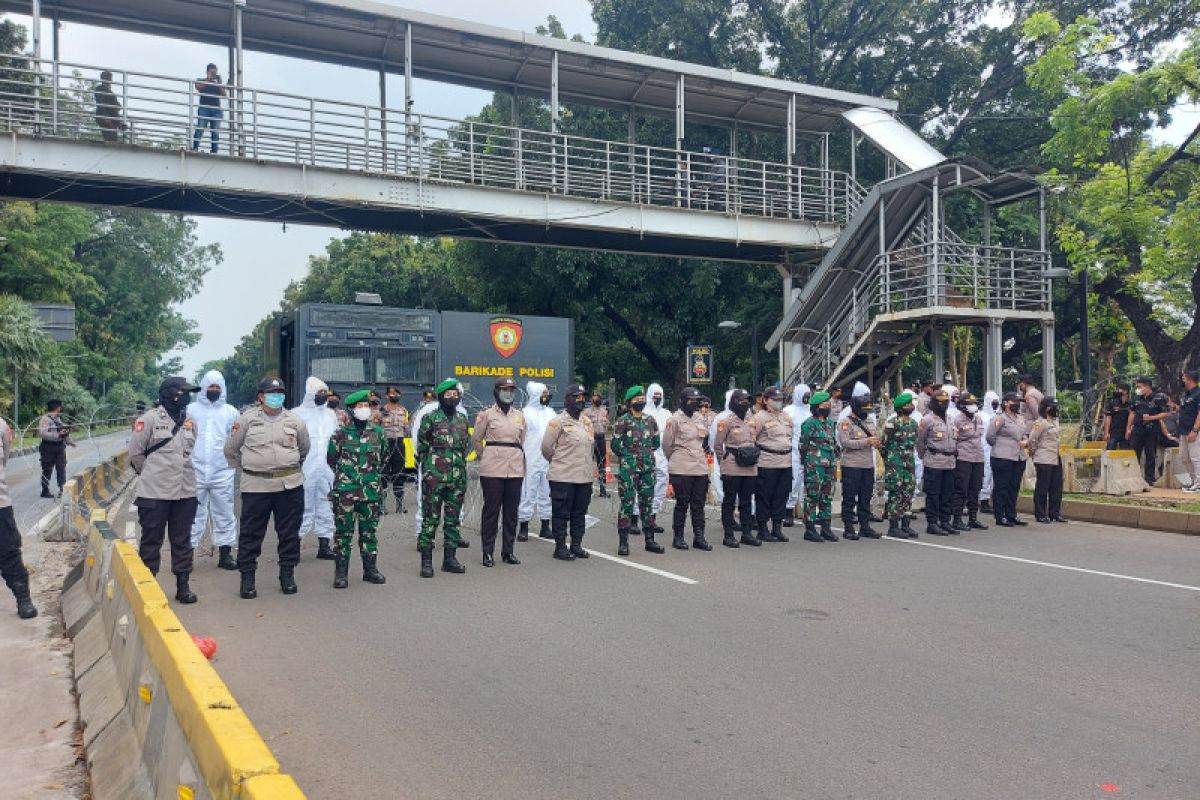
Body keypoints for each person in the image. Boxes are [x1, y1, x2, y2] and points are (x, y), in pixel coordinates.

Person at [224, 376, 310, 599]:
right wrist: (251, 468)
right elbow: (231, 450)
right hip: (256, 486)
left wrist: (286, 466)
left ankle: (287, 575)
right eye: (271, 393)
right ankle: (248, 579)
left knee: (289, 533)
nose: (277, 396)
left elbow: (303, 449)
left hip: (289, 485)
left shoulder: (295, 421)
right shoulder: (246, 420)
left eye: (280, 392)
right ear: (260, 397)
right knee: (251, 534)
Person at [130, 377, 200, 603]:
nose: (188, 396)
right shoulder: (148, 420)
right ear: (170, 393)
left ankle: (183, 586)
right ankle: (148, 588)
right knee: (151, 541)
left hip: (185, 491)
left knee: (182, 540)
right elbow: (136, 454)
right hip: (154, 493)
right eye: (184, 391)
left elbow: (187, 453)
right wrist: (153, 474)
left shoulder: (190, 421)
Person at [327, 390, 387, 589]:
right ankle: (341, 574)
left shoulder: (378, 433)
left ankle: (370, 570)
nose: (364, 409)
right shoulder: (340, 434)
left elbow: (383, 458)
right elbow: (331, 459)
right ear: (351, 410)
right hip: (346, 492)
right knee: (343, 533)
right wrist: (348, 478)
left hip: (370, 491)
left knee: (369, 532)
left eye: (366, 406)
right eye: (360, 406)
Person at [416, 379, 471, 578]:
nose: (452, 398)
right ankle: (427, 562)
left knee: (453, 520)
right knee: (430, 519)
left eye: (455, 395)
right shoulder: (430, 418)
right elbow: (421, 446)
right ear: (440, 397)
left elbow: (465, 446)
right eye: (448, 395)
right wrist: (429, 467)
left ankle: (450, 559)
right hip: (435, 477)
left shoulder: (463, 420)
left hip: (457, 478)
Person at [470, 377, 526, 567]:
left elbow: (521, 439)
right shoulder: (486, 415)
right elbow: (477, 439)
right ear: (496, 391)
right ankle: (487, 552)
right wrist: (486, 455)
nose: (508, 393)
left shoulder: (519, 416)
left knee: (511, 512)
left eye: (511, 390)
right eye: (504, 389)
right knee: (491, 511)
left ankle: (508, 551)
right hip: (492, 468)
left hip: (515, 468)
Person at [187, 369, 239, 570]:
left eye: (218, 387)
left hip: (222, 471)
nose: (214, 390)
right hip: (195, 470)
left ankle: (225, 554)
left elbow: (235, 441)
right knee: (192, 514)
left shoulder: (231, 412)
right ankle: (187, 554)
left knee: (225, 513)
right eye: (211, 387)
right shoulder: (191, 410)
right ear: (203, 387)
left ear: (223, 389)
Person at [540, 383, 596, 561]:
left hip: (584, 477)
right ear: (568, 400)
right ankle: (560, 547)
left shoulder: (587, 422)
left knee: (579, 513)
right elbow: (546, 448)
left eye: (583, 397)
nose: (581, 400)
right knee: (561, 513)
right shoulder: (557, 422)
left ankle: (576, 545)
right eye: (576, 397)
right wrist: (559, 462)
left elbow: (590, 446)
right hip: (563, 476)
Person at [611, 386, 665, 555]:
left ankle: (650, 540)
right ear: (630, 402)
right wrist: (629, 456)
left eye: (642, 398)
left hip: (648, 468)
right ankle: (623, 542)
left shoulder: (650, 420)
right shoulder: (623, 421)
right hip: (629, 469)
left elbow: (656, 443)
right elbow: (615, 446)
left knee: (647, 504)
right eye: (637, 399)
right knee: (627, 503)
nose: (640, 401)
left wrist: (644, 455)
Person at [662, 387, 712, 551]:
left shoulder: (699, 418)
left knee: (698, 504)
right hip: (681, 466)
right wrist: (676, 460)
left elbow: (702, 442)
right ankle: (678, 537)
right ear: (682, 401)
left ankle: (699, 537)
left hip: (700, 466)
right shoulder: (674, 419)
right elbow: (667, 445)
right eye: (691, 401)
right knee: (682, 503)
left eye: (697, 401)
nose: (695, 404)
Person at [294, 377, 338, 561]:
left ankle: (324, 544)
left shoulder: (330, 415)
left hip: (326, 468)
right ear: (310, 393)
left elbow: (335, 440)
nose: (323, 396)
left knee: (325, 505)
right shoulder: (296, 414)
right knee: (300, 507)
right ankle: (294, 545)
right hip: (304, 468)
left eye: (324, 392)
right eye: (319, 392)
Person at [713, 388, 760, 548]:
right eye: (741, 401)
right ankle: (729, 535)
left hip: (750, 465)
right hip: (732, 464)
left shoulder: (752, 419)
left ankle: (747, 533)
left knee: (746, 501)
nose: (745, 404)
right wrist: (724, 462)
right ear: (734, 402)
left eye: (747, 400)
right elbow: (718, 445)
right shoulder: (726, 421)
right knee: (729, 501)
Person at [1, 416, 38, 619]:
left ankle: (23, 600)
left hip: (0, 505)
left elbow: (3, 460)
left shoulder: (1, 427)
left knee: (9, 553)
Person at [836, 393, 881, 540]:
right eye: (864, 408)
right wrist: (866, 441)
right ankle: (848, 527)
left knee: (865, 497)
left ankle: (865, 526)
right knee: (849, 497)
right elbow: (845, 443)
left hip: (868, 465)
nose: (866, 411)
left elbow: (875, 437)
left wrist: (876, 442)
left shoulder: (869, 422)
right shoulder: (845, 422)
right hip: (852, 465)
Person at [753, 386, 794, 543]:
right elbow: (752, 439)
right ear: (765, 400)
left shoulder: (786, 417)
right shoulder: (759, 417)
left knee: (781, 496)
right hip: (767, 462)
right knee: (764, 496)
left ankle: (777, 527)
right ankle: (762, 529)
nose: (778, 402)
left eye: (780, 400)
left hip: (785, 462)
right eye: (775, 399)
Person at [798, 391, 838, 542]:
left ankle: (826, 528)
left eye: (828, 404)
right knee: (813, 496)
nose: (827, 407)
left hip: (830, 463)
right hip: (814, 464)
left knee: (827, 496)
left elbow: (832, 443)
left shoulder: (830, 423)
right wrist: (807, 462)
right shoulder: (809, 424)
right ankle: (810, 528)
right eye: (823, 404)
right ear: (816, 407)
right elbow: (803, 445)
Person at [986, 391, 1029, 527]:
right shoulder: (1000, 418)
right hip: (1002, 457)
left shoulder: (1020, 418)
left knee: (1014, 487)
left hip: (1018, 457)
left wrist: (1026, 441)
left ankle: (1011, 514)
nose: (1017, 404)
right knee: (1001, 487)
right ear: (1006, 403)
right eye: (1014, 402)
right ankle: (1000, 515)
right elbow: (990, 436)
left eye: (1018, 402)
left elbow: (1024, 434)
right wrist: (1001, 447)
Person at [917, 388, 956, 535]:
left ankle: (945, 521)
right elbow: (920, 442)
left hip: (950, 462)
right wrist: (924, 457)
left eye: (945, 402)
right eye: (939, 402)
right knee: (933, 494)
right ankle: (932, 523)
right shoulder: (927, 420)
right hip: (934, 461)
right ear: (933, 403)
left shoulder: (951, 419)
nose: (943, 405)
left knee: (947, 493)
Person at [518, 381, 555, 541]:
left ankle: (545, 526)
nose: (546, 397)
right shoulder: (525, 413)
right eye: (544, 394)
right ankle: (524, 526)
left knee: (546, 493)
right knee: (528, 492)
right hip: (530, 458)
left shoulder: (551, 413)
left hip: (547, 459)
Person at [881, 392, 919, 539]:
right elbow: (883, 444)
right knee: (895, 493)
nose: (910, 406)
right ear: (900, 407)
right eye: (907, 404)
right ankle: (893, 526)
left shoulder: (914, 424)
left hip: (909, 462)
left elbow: (914, 444)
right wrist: (891, 459)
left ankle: (906, 524)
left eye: (911, 404)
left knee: (908, 492)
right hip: (895, 463)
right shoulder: (892, 423)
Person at [950, 392, 988, 531]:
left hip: (978, 457)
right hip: (963, 457)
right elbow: (954, 439)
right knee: (961, 489)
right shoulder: (957, 420)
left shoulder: (978, 419)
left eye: (973, 404)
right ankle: (957, 519)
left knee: (975, 488)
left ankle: (973, 518)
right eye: (969, 404)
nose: (973, 407)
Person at [1028, 396, 1066, 523]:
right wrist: (1033, 454)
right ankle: (1040, 514)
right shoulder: (1040, 422)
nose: (1055, 409)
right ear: (1046, 408)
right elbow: (1032, 440)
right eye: (1052, 407)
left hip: (1055, 457)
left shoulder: (1055, 421)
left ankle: (1054, 513)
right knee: (1042, 487)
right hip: (1043, 458)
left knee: (1056, 487)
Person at [1126, 377, 1169, 488]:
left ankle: (1149, 479)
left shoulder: (1158, 398)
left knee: (1150, 455)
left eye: (1140, 387)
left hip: (1151, 431)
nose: (1138, 389)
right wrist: (1128, 428)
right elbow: (1132, 414)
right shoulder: (1136, 399)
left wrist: (1151, 417)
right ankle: (1133, 477)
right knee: (1134, 454)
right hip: (1137, 431)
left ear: (1147, 386)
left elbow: (1166, 413)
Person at [380, 386, 411, 514]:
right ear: (387, 396)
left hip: (399, 443)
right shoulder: (381, 411)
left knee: (399, 473)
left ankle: (400, 504)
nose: (395, 396)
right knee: (384, 473)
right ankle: (382, 505)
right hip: (386, 443)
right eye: (392, 394)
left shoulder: (403, 410)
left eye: (397, 393)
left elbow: (406, 428)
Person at [645, 383, 671, 529]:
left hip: (662, 454)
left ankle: (652, 519)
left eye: (659, 396)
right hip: (646, 453)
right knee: (642, 485)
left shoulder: (667, 414)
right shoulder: (642, 411)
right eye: (654, 396)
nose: (657, 399)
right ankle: (636, 518)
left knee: (660, 484)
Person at [784, 383, 811, 526]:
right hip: (793, 451)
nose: (807, 398)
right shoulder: (789, 411)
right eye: (804, 394)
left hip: (810, 452)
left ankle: (808, 512)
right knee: (793, 483)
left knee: (809, 483)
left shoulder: (812, 410)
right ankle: (788, 511)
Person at [38, 400, 73, 498]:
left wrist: (69, 441)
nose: (61, 408)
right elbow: (43, 433)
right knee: (47, 469)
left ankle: (62, 490)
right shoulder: (45, 419)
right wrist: (57, 434)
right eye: (60, 407)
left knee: (61, 468)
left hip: (59, 447)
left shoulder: (58, 419)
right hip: (48, 447)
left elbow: (62, 432)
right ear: (57, 408)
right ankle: (45, 490)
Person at [192, 63, 227, 153]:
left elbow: (224, 94)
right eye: (212, 72)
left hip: (216, 110)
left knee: (215, 132)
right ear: (207, 71)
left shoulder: (218, 83)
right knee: (200, 128)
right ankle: (195, 148)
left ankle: (214, 151)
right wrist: (209, 79)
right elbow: (199, 87)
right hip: (204, 108)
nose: (214, 74)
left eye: (215, 73)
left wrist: (219, 83)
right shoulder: (201, 80)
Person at [582, 391, 610, 497]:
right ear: (591, 400)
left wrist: (606, 422)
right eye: (595, 398)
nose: (597, 400)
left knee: (602, 464)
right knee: (588, 463)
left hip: (601, 438)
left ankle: (603, 490)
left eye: (598, 398)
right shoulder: (586, 412)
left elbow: (607, 425)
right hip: (591, 439)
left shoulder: (604, 411)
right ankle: (587, 490)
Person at [979, 390, 1000, 512]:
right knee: (985, 474)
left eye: (996, 403)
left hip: (995, 448)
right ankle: (983, 501)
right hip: (983, 448)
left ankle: (989, 499)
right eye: (993, 403)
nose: (995, 405)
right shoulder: (981, 416)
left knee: (993, 474)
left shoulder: (998, 417)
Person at [1180, 370, 1200, 493]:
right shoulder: (1187, 394)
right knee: (1184, 458)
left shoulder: (1198, 393)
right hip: (1183, 431)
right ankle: (1193, 481)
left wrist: (1195, 429)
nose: (1182, 380)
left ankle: (1198, 484)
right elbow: (1185, 411)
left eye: (1184, 378)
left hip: (1194, 431)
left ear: (1190, 379)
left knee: (1195, 458)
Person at [94, 70, 125, 143]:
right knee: (111, 139)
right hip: (107, 118)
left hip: (112, 119)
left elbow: (117, 105)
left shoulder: (110, 92)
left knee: (113, 139)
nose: (110, 80)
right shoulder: (100, 89)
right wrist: (105, 117)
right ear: (103, 79)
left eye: (110, 78)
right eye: (108, 78)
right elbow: (100, 103)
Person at [1102, 382, 1132, 451]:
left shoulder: (1131, 404)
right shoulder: (1112, 403)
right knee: (1110, 451)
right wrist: (1106, 433)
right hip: (1113, 432)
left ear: (1125, 391)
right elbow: (1108, 417)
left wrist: (1129, 429)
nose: (1117, 391)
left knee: (1125, 453)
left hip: (1125, 432)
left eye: (1119, 389)